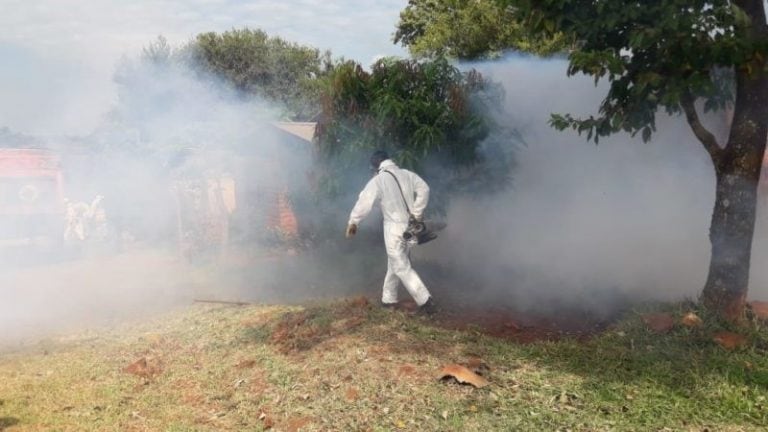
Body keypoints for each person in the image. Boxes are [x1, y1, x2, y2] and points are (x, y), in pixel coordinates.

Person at [345, 150, 437, 314]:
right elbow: (425, 189)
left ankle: (426, 302)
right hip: (411, 226)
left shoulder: (378, 180)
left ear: (376, 165)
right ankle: (388, 300)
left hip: (393, 228)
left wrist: (353, 221)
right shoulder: (407, 174)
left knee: (401, 265)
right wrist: (417, 213)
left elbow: (364, 201)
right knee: (394, 262)